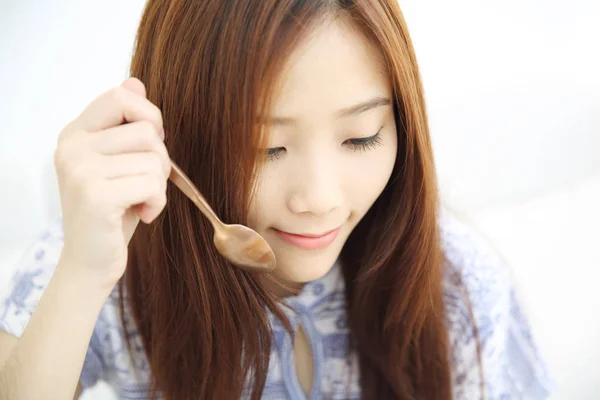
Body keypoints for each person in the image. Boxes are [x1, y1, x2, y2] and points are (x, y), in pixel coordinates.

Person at [0, 1, 554, 399]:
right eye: (264, 147)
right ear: (177, 139)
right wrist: (82, 276)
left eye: (360, 136)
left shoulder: (455, 284)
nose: (318, 198)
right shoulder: (94, 264)